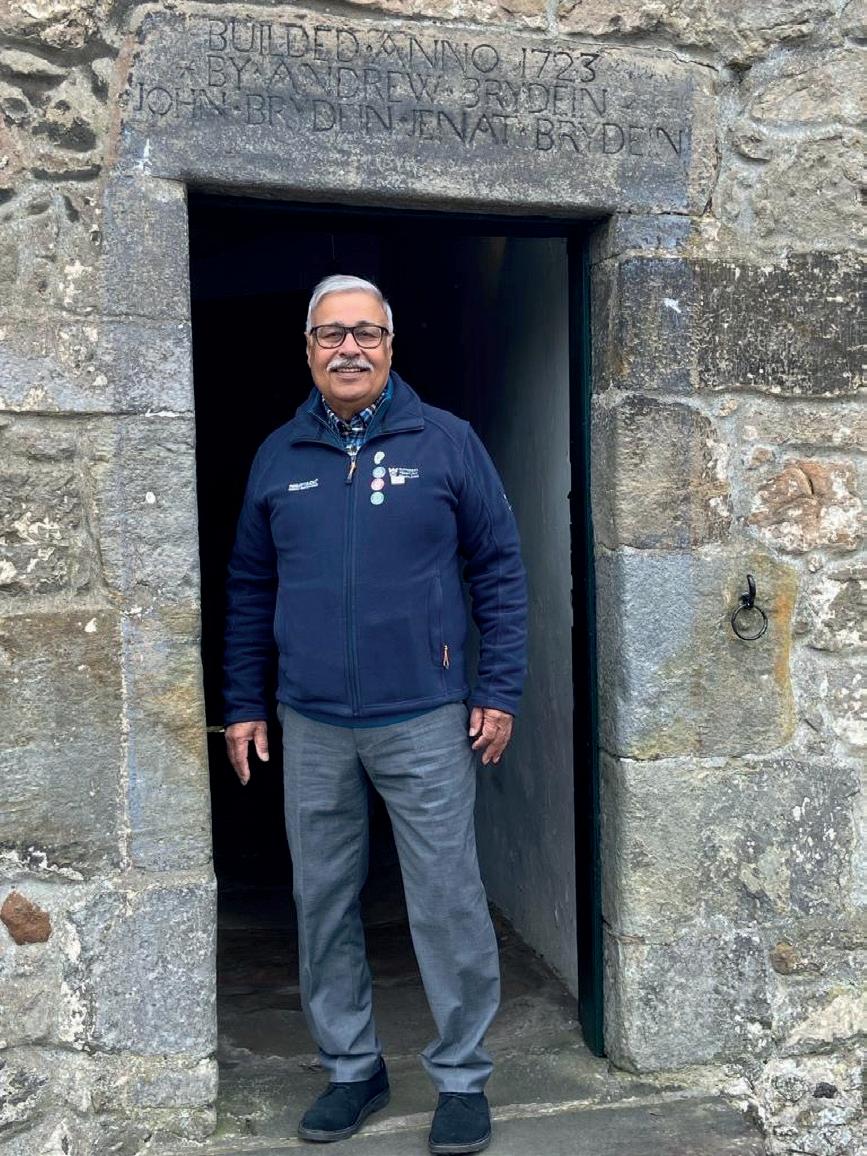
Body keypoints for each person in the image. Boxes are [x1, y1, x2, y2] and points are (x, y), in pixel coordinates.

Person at [223, 274, 528, 1154]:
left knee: (446, 900)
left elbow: (498, 568)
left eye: (365, 332)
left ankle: (461, 1077)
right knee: (321, 899)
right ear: (308, 350)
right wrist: (244, 702)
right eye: (331, 334)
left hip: (425, 715)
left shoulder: (447, 442)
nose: (348, 348)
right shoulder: (279, 454)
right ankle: (352, 1068)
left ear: (391, 346)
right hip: (312, 720)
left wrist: (497, 688)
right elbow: (249, 586)